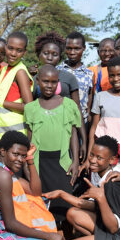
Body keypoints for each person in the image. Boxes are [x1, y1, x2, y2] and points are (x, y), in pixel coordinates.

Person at [25, 65, 80, 228]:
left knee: (64, 199)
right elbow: (29, 138)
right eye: (45, 81)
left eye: (53, 82)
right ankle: (47, 231)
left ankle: (66, 231)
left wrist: (75, 160)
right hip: (39, 161)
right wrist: (28, 164)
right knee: (41, 199)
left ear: (59, 83)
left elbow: (73, 134)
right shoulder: (31, 108)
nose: (49, 85)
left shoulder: (68, 105)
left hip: (62, 160)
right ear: (37, 81)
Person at [33, 32, 86, 161]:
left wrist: (84, 141)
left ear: (60, 57)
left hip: (67, 135)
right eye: (46, 53)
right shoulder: (32, 79)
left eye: (55, 54)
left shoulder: (69, 78)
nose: (50, 57)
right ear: (39, 54)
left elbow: (77, 109)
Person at [0, 31, 33, 142]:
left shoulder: (20, 72)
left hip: (16, 133)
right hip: (2, 132)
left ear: (24, 52)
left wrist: (2, 102)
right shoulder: (4, 69)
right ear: (5, 47)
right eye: (10, 48)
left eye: (19, 50)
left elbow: (29, 107)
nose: (13, 53)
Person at [57, 32, 94, 127]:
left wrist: (88, 114)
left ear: (84, 48)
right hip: (60, 121)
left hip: (81, 122)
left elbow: (89, 96)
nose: (72, 52)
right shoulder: (57, 70)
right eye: (69, 48)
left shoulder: (89, 74)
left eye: (77, 48)